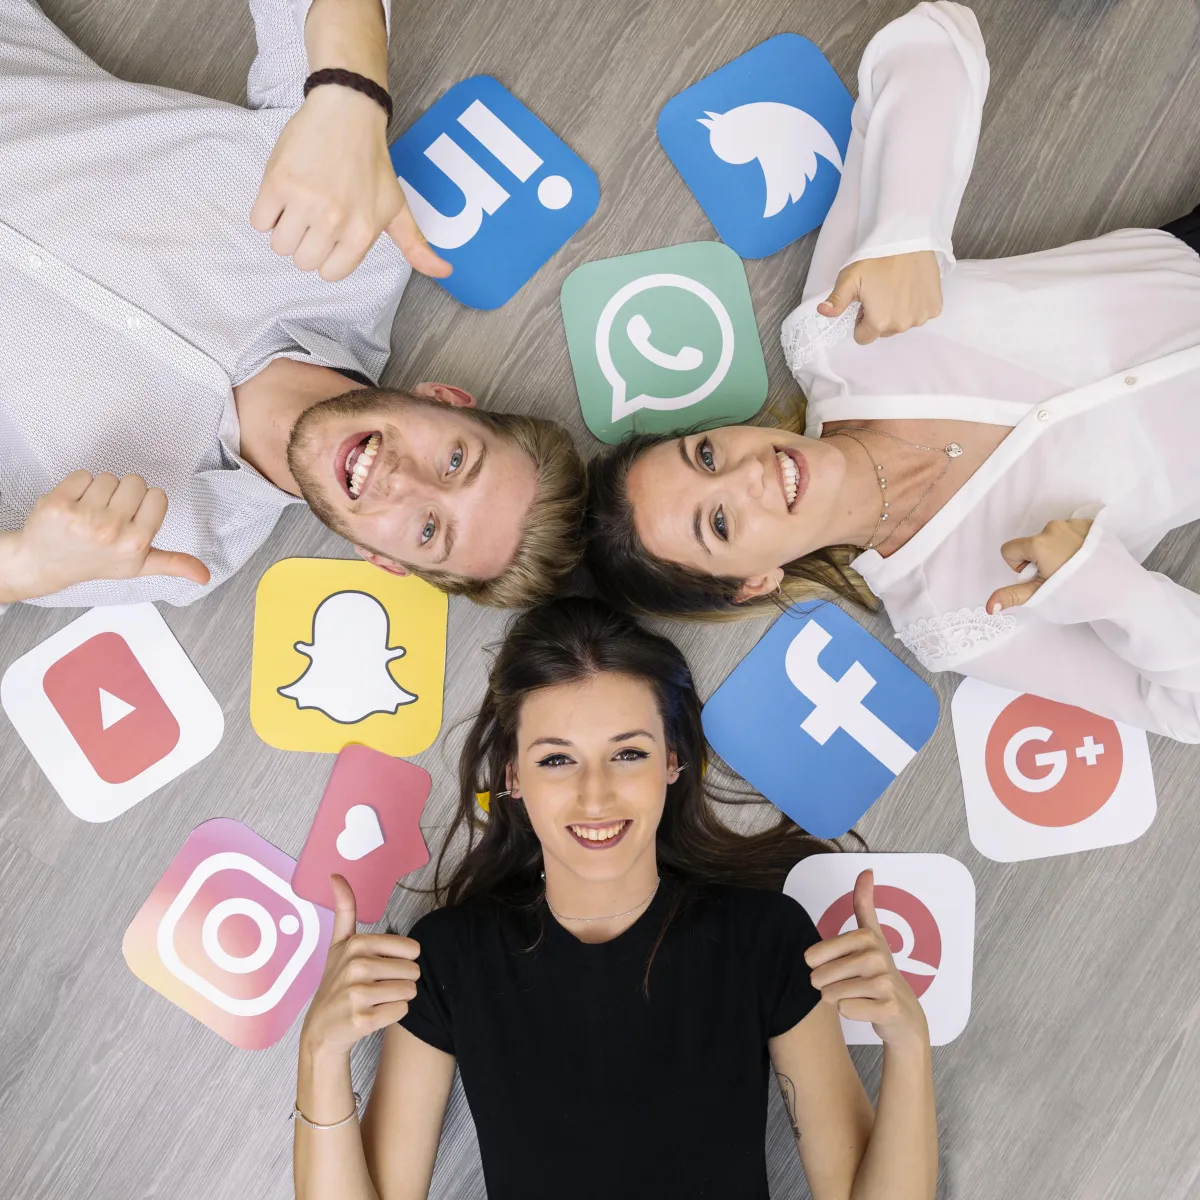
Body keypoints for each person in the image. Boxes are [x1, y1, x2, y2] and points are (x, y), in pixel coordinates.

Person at [584, 0, 1200, 741]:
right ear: (755, 582)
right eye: (719, 522)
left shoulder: (836, 331)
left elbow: (934, 38)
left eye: (706, 454)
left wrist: (905, 231)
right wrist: (1109, 588)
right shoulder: (955, 621)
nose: (747, 474)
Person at [292, 598, 937, 1200]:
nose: (595, 796)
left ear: (672, 761)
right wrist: (319, 1052)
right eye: (556, 760)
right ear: (513, 775)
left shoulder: (763, 938)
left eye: (628, 753)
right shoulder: (449, 959)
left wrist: (909, 1047)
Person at [0, 0, 584, 610]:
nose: (403, 482)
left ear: (383, 561)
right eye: (455, 460)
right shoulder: (356, 243)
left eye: (429, 530)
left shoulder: (168, 549)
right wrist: (350, 92)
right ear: (444, 399)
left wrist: (18, 572)